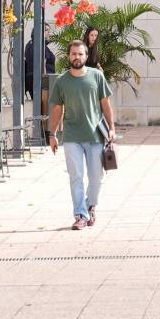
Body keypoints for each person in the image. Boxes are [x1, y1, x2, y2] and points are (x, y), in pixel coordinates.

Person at [48, 40, 116, 230]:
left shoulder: (97, 76)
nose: (76, 57)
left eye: (80, 54)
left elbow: (106, 105)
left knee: (96, 177)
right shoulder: (62, 81)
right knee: (76, 177)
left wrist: (111, 127)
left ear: (86, 56)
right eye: (73, 54)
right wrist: (52, 134)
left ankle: (90, 206)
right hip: (71, 137)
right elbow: (57, 110)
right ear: (68, 56)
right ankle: (80, 215)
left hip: (96, 136)